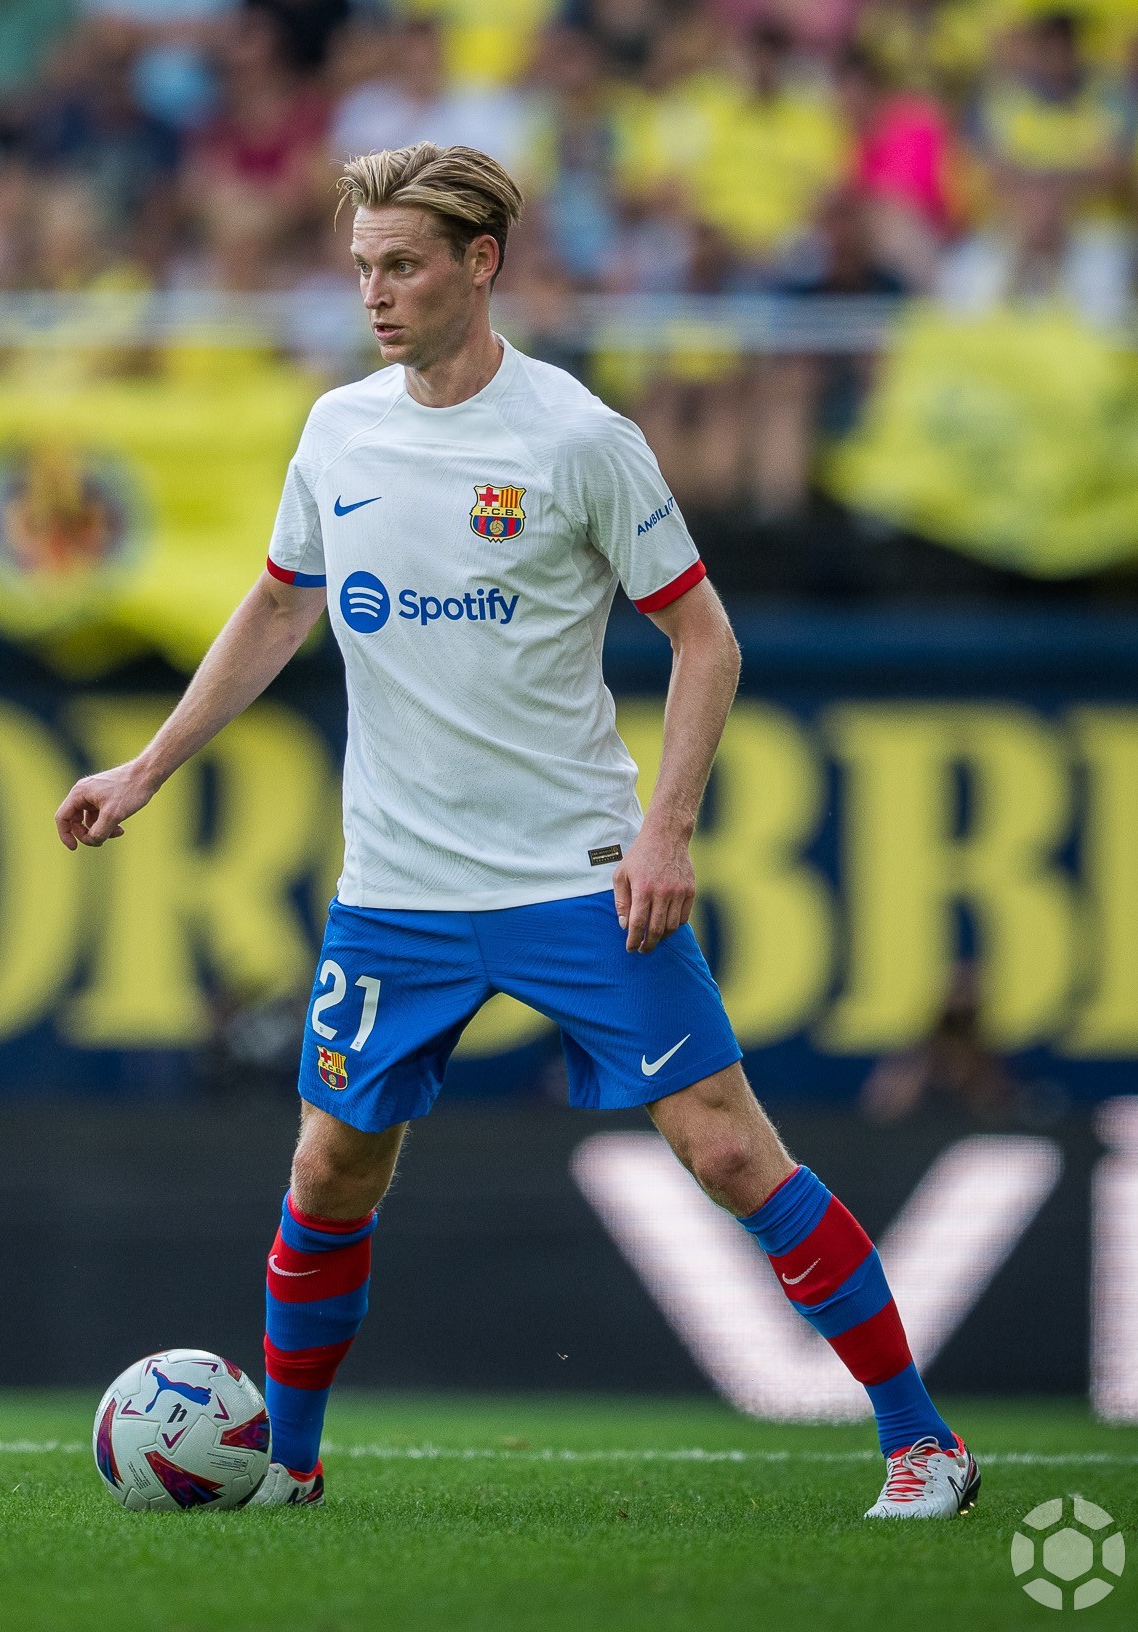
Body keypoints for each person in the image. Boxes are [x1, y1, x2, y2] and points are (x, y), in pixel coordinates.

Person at [54, 142, 980, 1522]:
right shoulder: (338, 432)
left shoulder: (579, 440)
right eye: (363, 266)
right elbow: (277, 606)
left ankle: (923, 1442)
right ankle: (290, 1469)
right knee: (327, 1164)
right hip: (400, 890)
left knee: (727, 1149)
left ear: (481, 264)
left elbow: (705, 643)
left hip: (576, 876)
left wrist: (667, 833)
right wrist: (150, 764)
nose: (376, 292)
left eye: (405, 265)